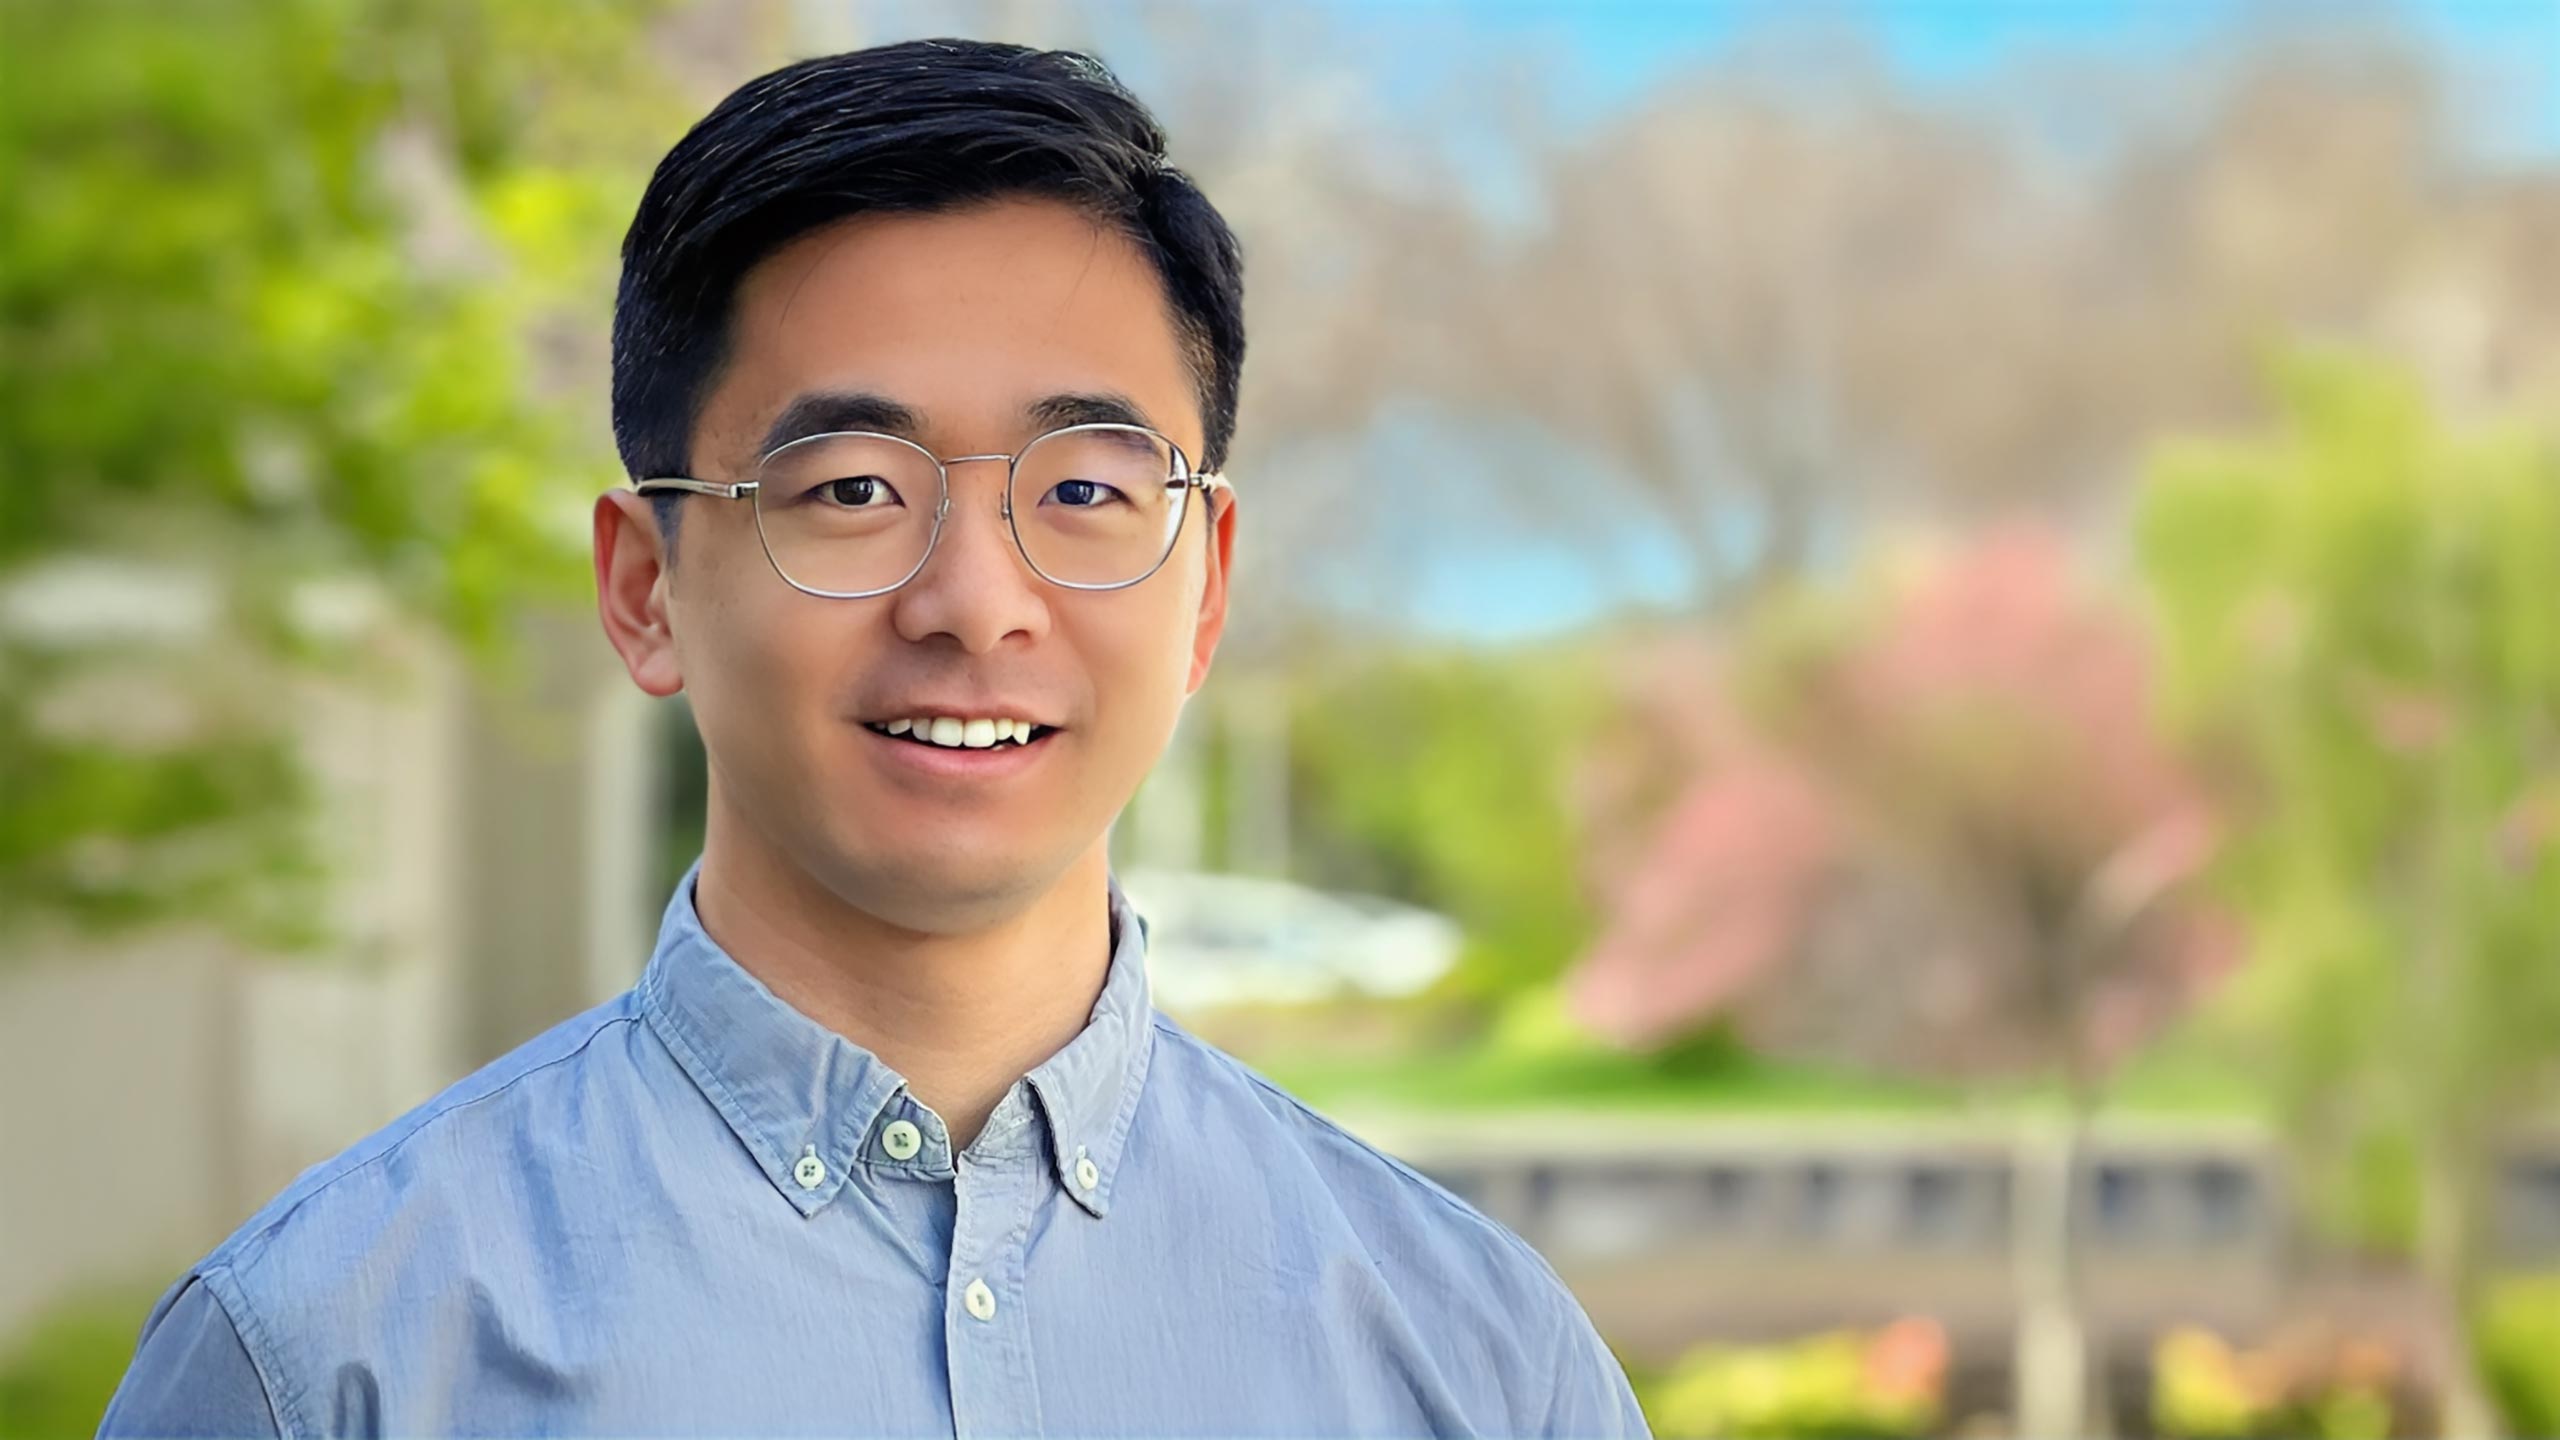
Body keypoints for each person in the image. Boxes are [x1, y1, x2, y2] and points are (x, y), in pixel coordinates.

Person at [99, 37, 1649, 1437]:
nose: (977, 604)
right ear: (644, 591)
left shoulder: (1480, 1365)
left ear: (1208, 590)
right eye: (850, 488)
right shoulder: (329, 1361)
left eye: (1087, 490)